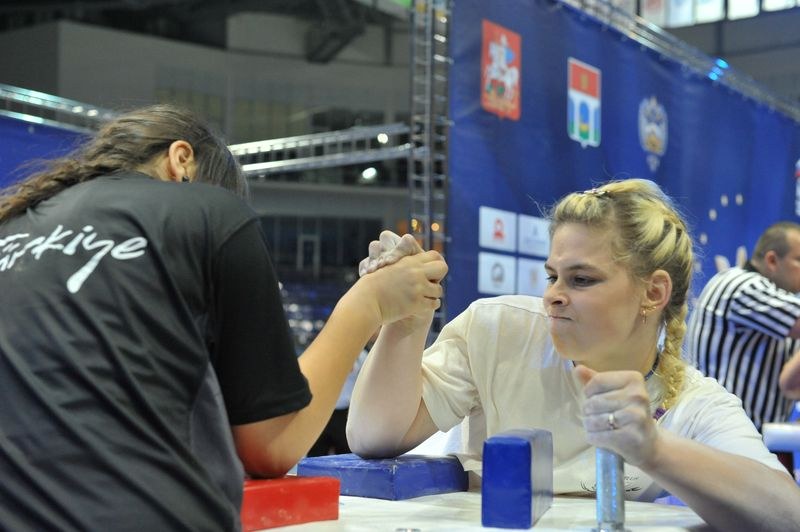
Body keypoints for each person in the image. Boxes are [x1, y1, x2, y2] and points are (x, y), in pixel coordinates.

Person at [0, 104, 447, 531]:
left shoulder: (13, 227)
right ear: (181, 160)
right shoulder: (211, 214)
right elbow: (272, 446)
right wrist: (367, 303)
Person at [348, 179, 800, 532]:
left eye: (581, 280)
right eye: (552, 276)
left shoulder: (693, 401)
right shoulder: (498, 330)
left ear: (655, 292)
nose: (553, 297)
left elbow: (787, 517)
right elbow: (374, 437)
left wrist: (654, 448)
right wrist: (404, 322)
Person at [686, 221, 800, 430]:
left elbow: (792, 386)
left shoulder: (780, 307)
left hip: (758, 442)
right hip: (716, 437)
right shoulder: (740, 284)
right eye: (799, 260)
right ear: (772, 260)